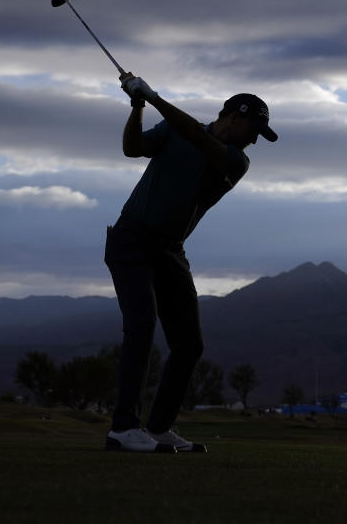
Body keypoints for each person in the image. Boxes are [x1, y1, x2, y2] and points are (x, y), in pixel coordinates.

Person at [103, 73, 277, 453]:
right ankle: (123, 428)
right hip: (130, 240)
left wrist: (153, 96)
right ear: (232, 116)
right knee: (142, 326)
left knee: (189, 344)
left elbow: (200, 139)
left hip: (169, 250)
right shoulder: (176, 128)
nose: (254, 139)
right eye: (253, 128)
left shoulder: (236, 161)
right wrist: (137, 106)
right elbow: (133, 148)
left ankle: (160, 427)